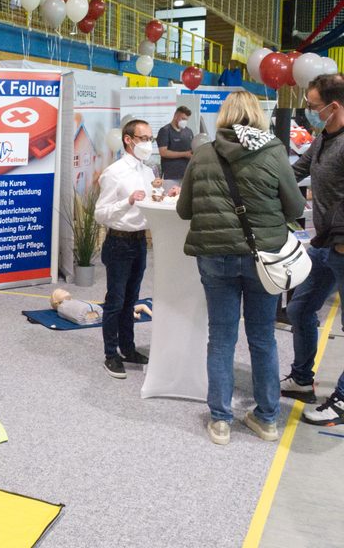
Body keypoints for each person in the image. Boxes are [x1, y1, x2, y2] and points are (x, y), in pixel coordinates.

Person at [176, 91, 305, 445]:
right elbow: (294, 207)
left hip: (215, 258)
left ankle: (220, 421)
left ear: (224, 116)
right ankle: (266, 418)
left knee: (221, 337)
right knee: (263, 338)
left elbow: (184, 210)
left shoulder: (202, 154)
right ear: (257, 116)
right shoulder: (273, 151)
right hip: (264, 259)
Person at [282, 73, 344, 427]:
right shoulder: (324, 138)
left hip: (341, 245)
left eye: (313, 105)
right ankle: (302, 378)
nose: (309, 111)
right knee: (301, 308)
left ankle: (342, 401)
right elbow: (298, 170)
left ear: (333, 106)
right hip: (323, 246)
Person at [95, 119, 171, 379]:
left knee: (131, 300)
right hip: (118, 241)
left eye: (150, 138)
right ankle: (110, 354)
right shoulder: (114, 173)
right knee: (115, 301)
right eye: (143, 138)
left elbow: (150, 203)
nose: (148, 143)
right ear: (128, 139)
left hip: (140, 242)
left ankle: (128, 348)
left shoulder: (148, 171)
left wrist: (167, 197)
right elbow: (100, 214)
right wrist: (126, 202)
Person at [157, 106, 194, 185]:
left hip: (187, 174)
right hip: (171, 176)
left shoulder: (189, 131)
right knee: (170, 197)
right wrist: (184, 154)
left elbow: (192, 149)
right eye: (183, 118)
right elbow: (163, 152)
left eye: (186, 119)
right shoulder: (165, 131)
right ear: (175, 116)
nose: (184, 121)